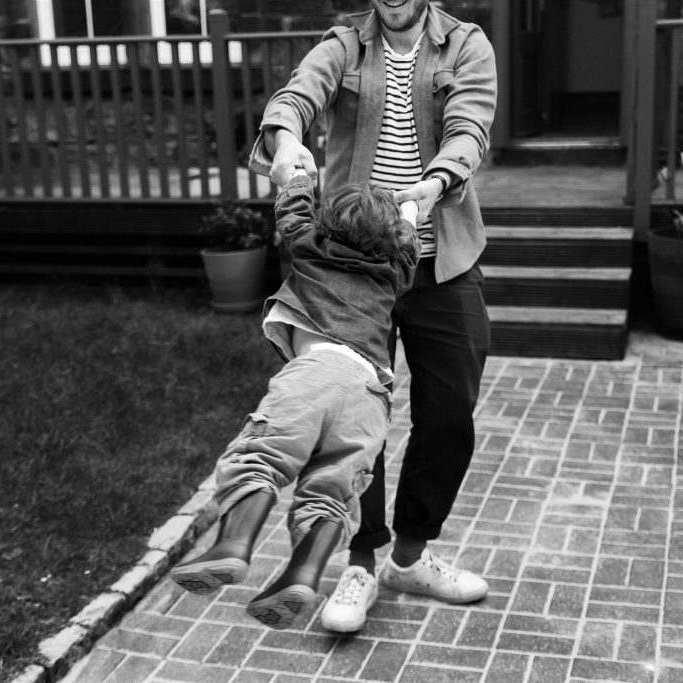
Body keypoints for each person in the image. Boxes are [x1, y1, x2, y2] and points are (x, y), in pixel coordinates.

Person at [248, 0, 497, 632]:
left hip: (441, 261)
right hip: (353, 267)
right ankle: (359, 562)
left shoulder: (466, 45)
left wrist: (433, 184)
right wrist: (286, 143)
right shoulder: (344, 43)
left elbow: (469, 130)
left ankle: (409, 557)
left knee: (448, 416)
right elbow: (299, 95)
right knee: (355, 417)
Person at [170, 169, 420, 631]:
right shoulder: (394, 272)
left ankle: (233, 544)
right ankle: (303, 572)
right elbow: (410, 240)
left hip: (316, 374)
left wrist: (297, 175)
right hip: (370, 394)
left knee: (261, 457)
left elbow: (292, 210)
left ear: (326, 225)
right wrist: (408, 210)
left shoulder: (309, 246)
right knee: (332, 491)